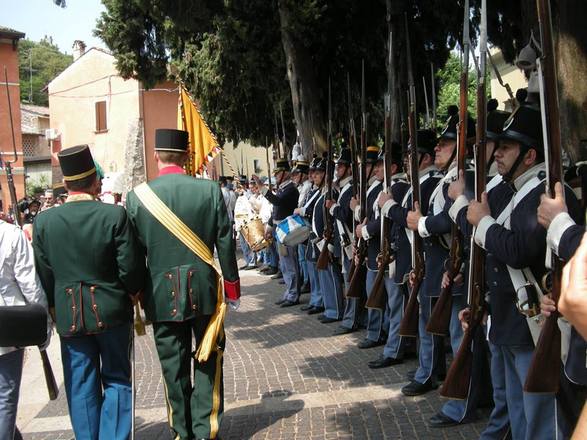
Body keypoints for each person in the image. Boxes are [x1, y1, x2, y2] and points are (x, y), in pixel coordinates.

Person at [467, 103, 581, 439]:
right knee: (519, 418)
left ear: (529, 156)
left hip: (532, 325)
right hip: (506, 320)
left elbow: (519, 251)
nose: (497, 154)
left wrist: (483, 222)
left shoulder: (546, 193)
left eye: (506, 147)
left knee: (541, 422)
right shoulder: (511, 190)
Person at [126, 129, 240, 440]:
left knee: (172, 368)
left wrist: (135, 291)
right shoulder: (209, 191)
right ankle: (206, 430)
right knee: (208, 359)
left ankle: (182, 431)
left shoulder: (137, 197)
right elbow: (225, 243)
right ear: (187, 157)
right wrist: (231, 286)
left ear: (156, 156)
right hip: (203, 290)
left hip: (160, 294)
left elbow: (133, 255)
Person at [33, 144, 146, 440]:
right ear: (95, 181)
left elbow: (44, 275)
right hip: (111, 311)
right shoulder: (113, 216)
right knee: (118, 379)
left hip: (69, 315)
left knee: (81, 384)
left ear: (67, 183)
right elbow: (131, 268)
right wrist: (132, 292)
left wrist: (54, 309)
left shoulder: (44, 222)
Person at [0, 219, 50, 440]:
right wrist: (43, 324)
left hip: (9, 322)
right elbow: (30, 285)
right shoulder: (11, 234)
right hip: (8, 323)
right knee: (4, 398)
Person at [252, 159, 300, 307]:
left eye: (279, 173)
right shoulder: (283, 188)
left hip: (287, 230)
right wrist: (270, 227)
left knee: (290, 264)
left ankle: (293, 294)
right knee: (285, 264)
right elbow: (276, 210)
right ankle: (289, 292)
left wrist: (262, 187)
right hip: (280, 230)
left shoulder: (291, 189)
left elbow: (277, 202)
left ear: (285, 173)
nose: (277, 175)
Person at [295, 154, 326, 315]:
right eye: (312, 172)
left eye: (317, 172)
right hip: (309, 234)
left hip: (317, 235)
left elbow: (313, 210)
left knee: (317, 270)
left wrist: (302, 210)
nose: (313, 175)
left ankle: (319, 300)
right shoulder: (313, 190)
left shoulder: (322, 190)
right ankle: (316, 299)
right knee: (312, 270)